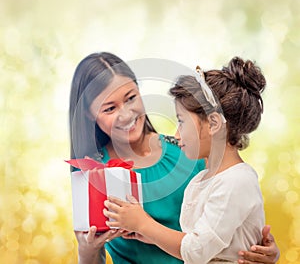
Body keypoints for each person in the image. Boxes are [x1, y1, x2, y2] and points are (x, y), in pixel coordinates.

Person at [69, 52, 280, 264]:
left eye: (131, 97)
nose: (126, 114)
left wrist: (261, 249)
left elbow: (231, 216)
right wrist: (86, 250)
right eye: (110, 108)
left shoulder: (192, 151)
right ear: (89, 114)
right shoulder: (94, 175)